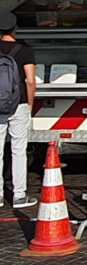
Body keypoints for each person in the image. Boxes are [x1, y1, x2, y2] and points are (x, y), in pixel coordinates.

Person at [0, 11, 37, 209]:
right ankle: (19, 195)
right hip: (18, 103)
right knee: (18, 149)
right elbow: (30, 80)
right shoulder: (24, 50)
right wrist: (30, 103)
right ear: (16, 28)